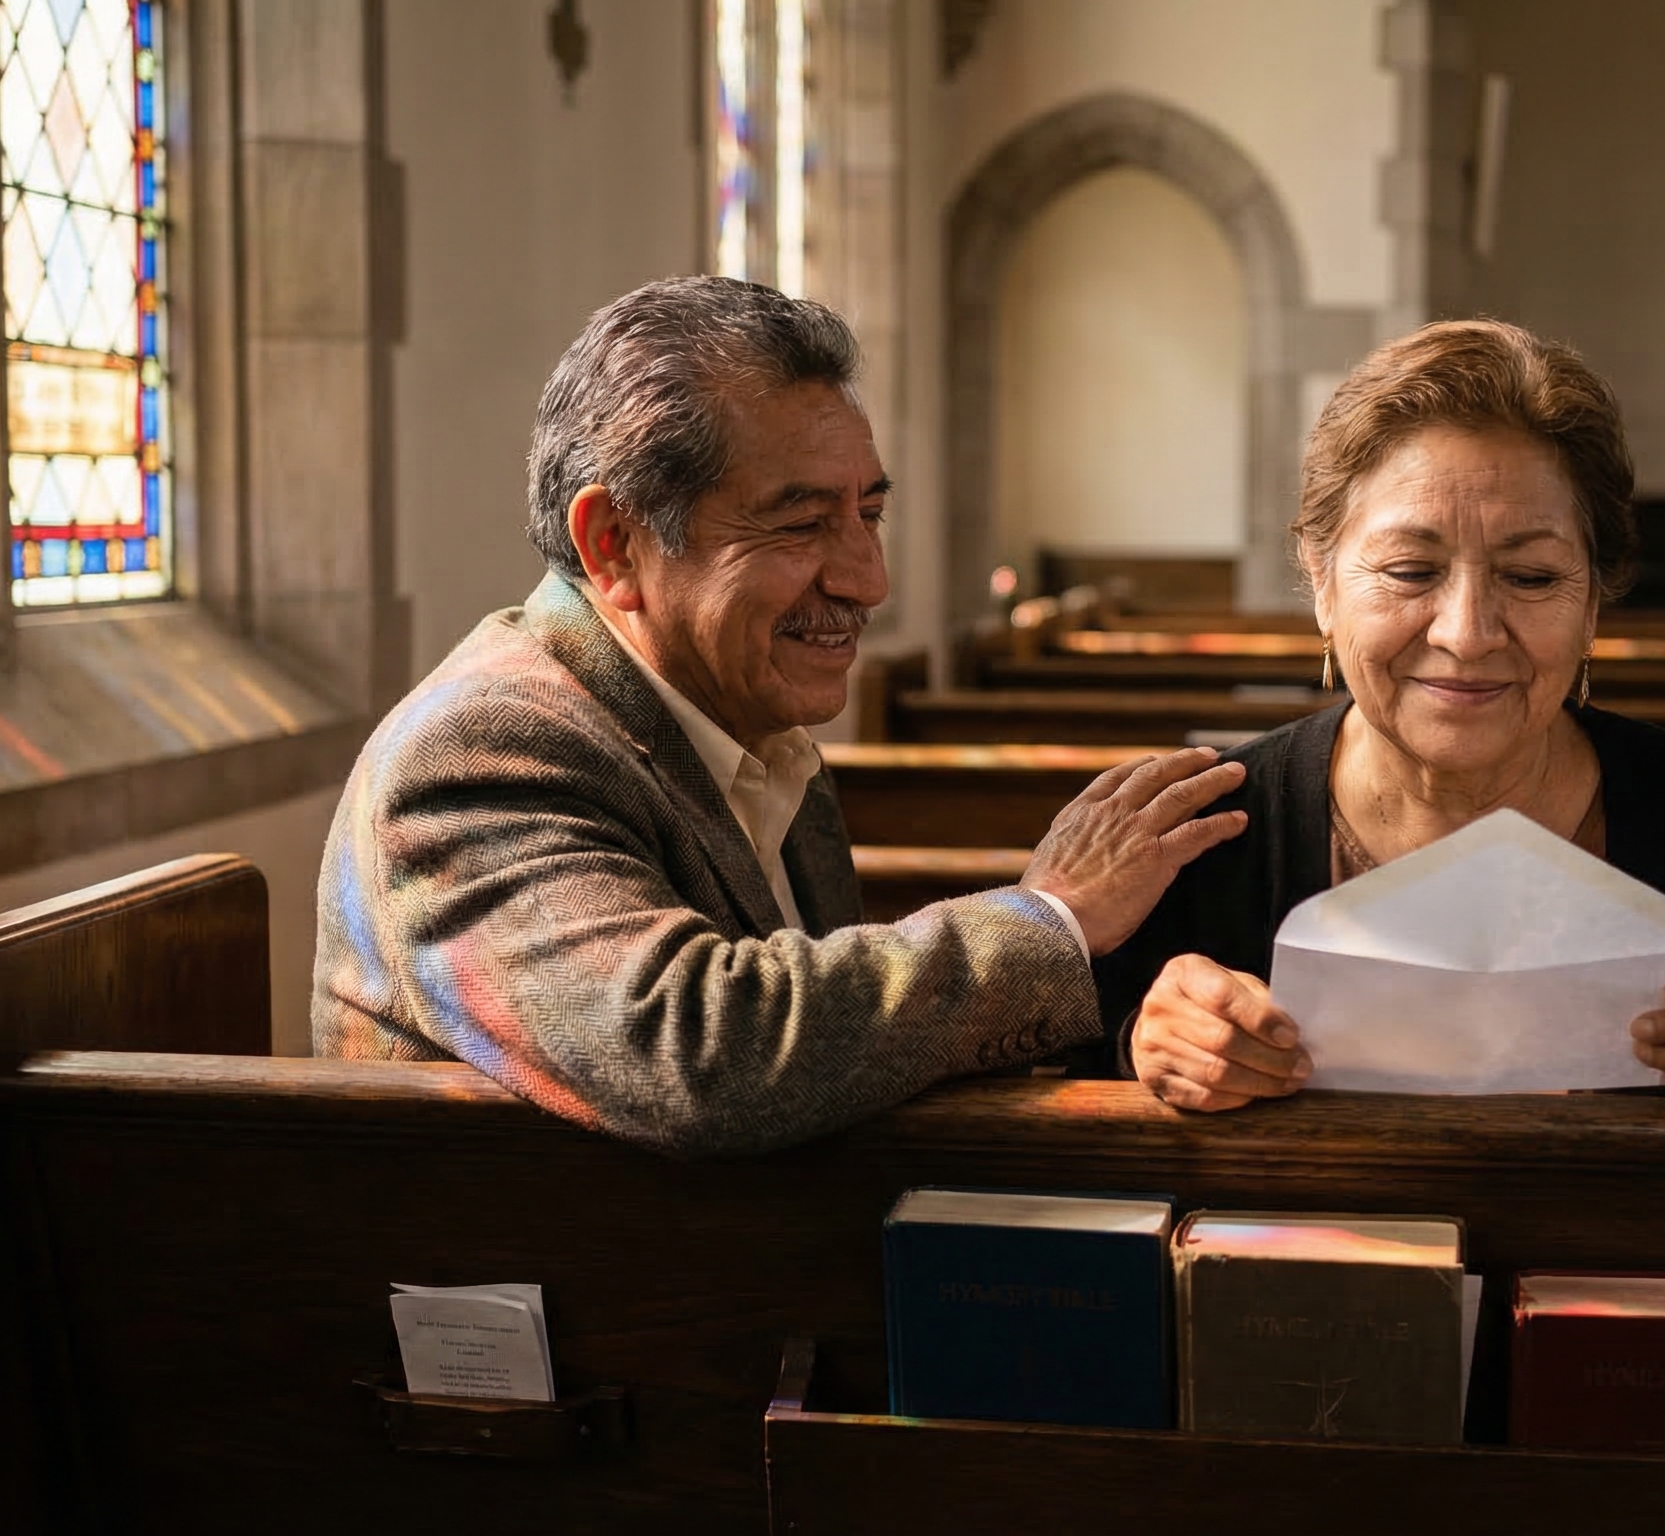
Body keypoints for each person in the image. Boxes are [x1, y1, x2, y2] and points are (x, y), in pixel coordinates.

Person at [315, 276, 1247, 1155]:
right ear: (615, 544)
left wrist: (1143, 1025)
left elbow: (829, 1073)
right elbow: (698, 1051)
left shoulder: (750, 723)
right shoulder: (480, 749)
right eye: (801, 525)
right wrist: (1052, 918)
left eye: (868, 515)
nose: (867, 581)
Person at [1094, 319, 1665, 1116]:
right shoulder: (1203, 836)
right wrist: (1145, 1048)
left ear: (1593, 602)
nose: (1466, 635)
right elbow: (1068, 1105)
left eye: (1531, 577)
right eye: (1410, 570)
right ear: (1322, 583)